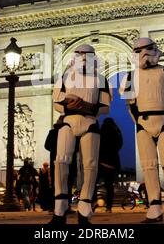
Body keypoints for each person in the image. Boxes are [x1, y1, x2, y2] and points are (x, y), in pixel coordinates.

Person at [119, 37, 164, 224]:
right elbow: (130, 105)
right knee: (149, 166)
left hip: (162, 121)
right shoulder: (129, 77)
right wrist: (140, 122)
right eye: (138, 51)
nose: (143, 55)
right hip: (145, 123)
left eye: (146, 50)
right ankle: (154, 207)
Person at [50, 44, 112, 225]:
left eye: (87, 56)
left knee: (90, 165)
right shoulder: (64, 77)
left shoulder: (101, 80)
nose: (84, 58)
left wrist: (88, 107)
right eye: (80, 55)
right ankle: (59, 208)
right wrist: (68, 106)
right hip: (68, 121)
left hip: (90, 122)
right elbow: (56, 103)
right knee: (60, 161)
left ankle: (84, 208)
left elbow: (106, 107)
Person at [95, 117, 123, 213]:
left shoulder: (101, 130)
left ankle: (92, 202)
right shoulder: (117, 131)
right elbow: (120, 144)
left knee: (92, 183)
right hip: (112, 163)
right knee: (109, 186)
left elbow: (96, 143)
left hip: (101, 162)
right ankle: (109, 207)